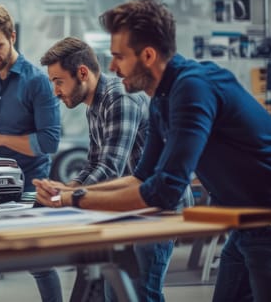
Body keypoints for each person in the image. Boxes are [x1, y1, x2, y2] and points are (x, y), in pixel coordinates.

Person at [34, 0, 271, 301]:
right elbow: (140, 177)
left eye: (118, 56)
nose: (111, 67)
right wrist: (69, 196)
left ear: (147, 55)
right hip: (248, 224)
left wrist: (75, 197)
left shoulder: (192, 88)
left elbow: (164, 189)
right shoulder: (162, 98)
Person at [41, 37, 177, 302]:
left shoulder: (119, 97)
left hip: (157, 208)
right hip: (129, 205)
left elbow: (110, 166)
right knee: (114, 293)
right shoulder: (94, 105)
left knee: (141, 294)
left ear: (82, 73)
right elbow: (93, 163)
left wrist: (66, 196)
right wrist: (67, 189)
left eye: (58, 81)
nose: (55, 91)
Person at [0, 4, 62, 302]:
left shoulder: (38, 81)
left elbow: (49, 143)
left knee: (40, 264)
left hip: (32, 185)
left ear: (13, 37)